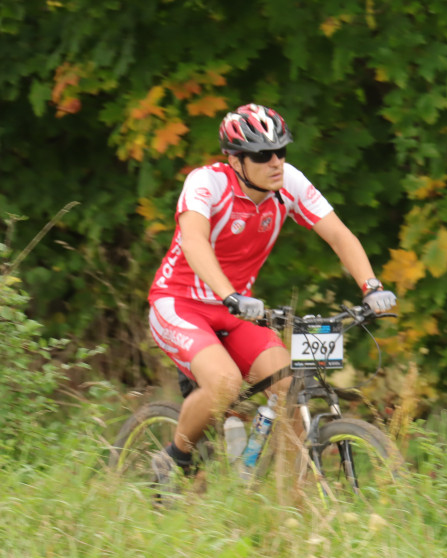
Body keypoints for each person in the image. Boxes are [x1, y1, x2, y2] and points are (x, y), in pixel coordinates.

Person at [146, 103, 396, 485]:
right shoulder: (206, 183)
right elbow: (194, 241)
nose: (276, 162)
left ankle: (289, 499)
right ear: (235, 159)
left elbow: (339, 234)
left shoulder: (288, 183)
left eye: (281, 151)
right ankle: (172, 460)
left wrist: (371, 286)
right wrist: (229, 294)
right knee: (225, 382)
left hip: (237, 310)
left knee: (290, 384)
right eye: (263, 155)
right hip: (180, 303)